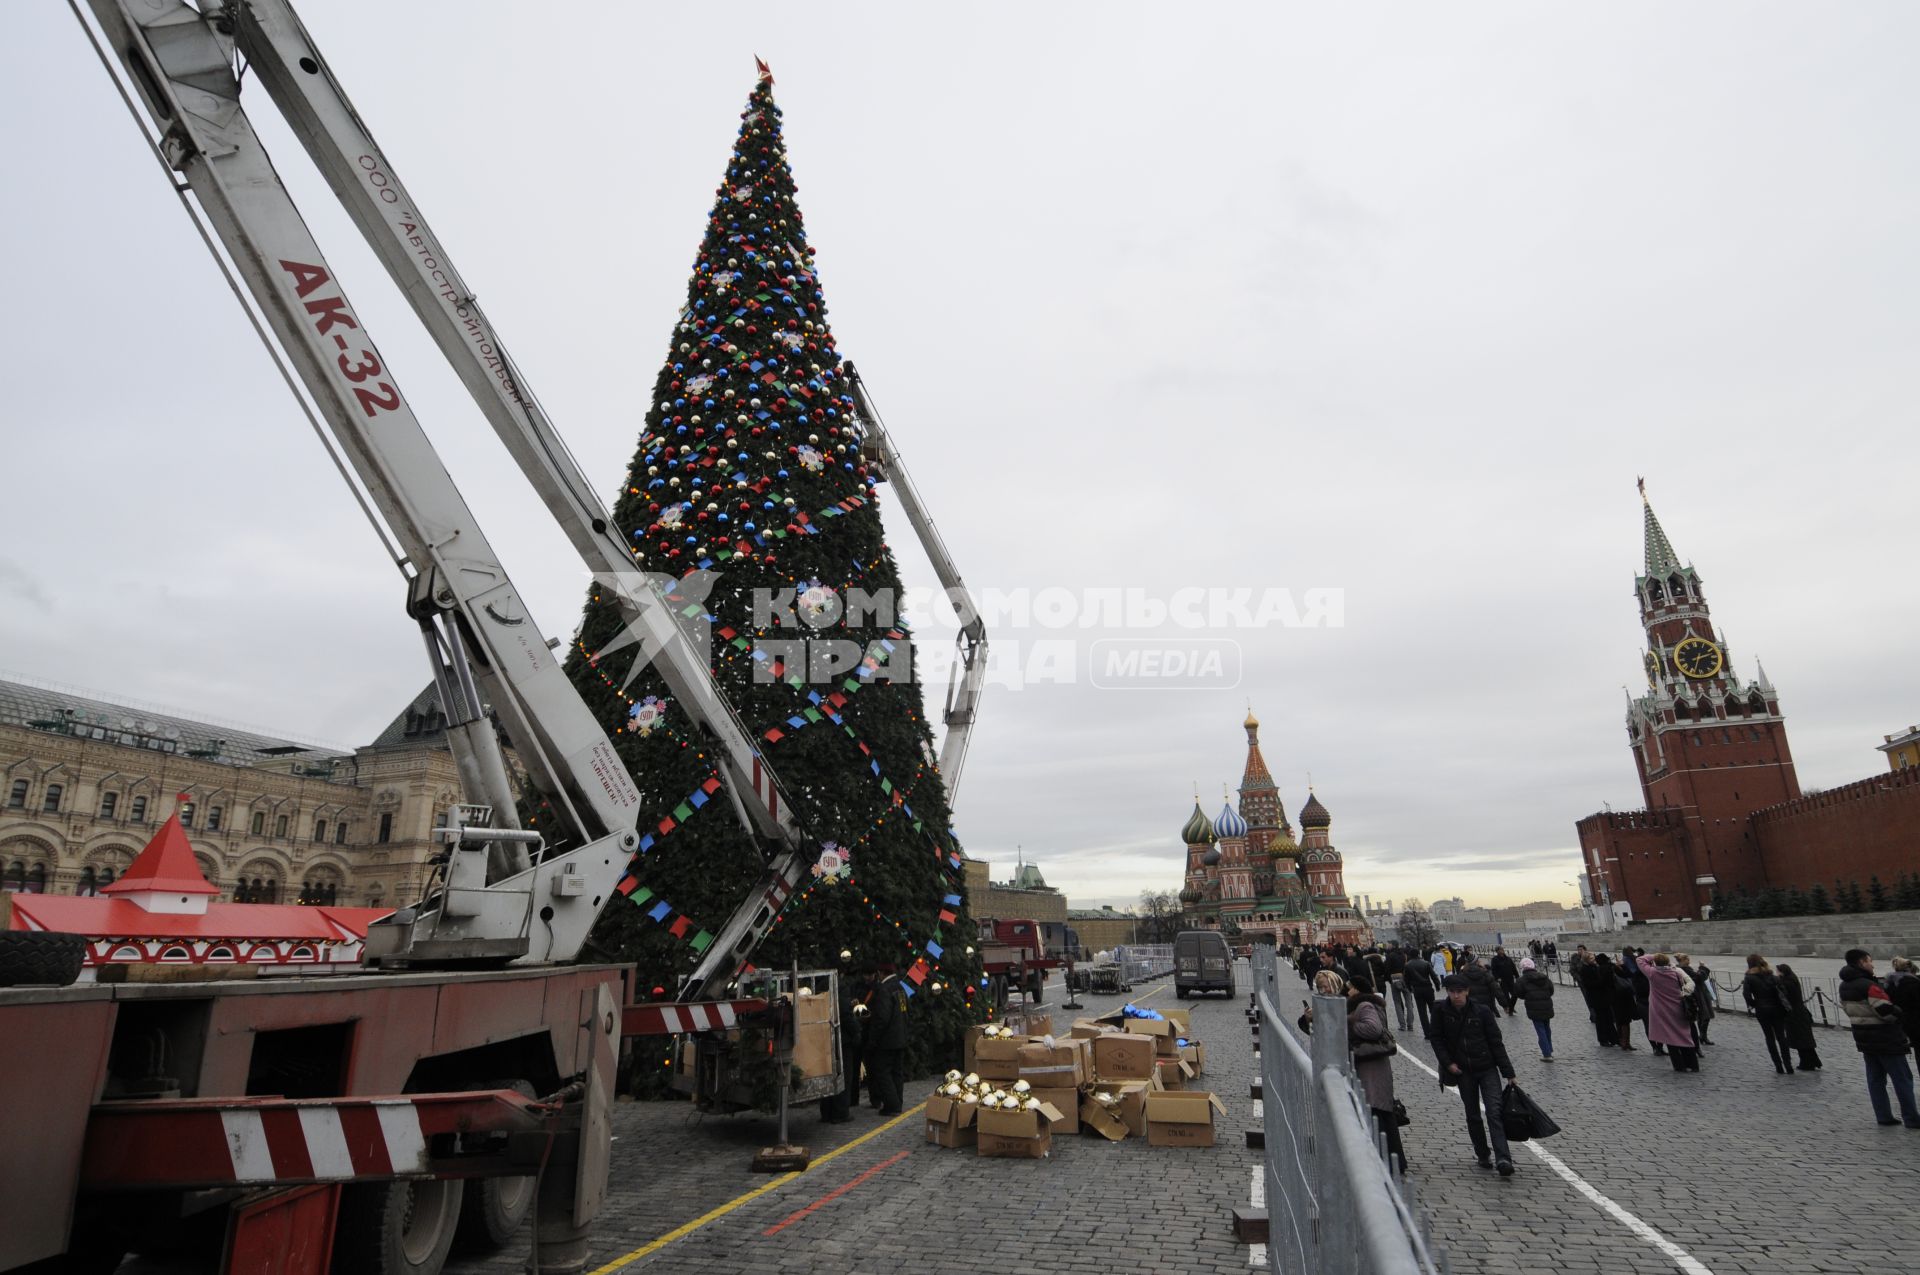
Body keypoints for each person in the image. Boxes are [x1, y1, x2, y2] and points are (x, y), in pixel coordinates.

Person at [1302, 969, 1407, 1175]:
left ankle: (1390, 1160)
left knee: (1378, 1111)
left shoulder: (1363, 1005)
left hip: (1370, 1065)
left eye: (1346, 988)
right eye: (1320, 986)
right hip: (1360, 1064)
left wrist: (1340, 1023)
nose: (1324, 990)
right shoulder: (1346, 1005)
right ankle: (1384, 1157)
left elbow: (1372, 1029)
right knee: (1372, 1110)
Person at [1430, 973, 1518, 1175]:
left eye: (1459, 992)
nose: (1455, 996)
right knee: (1473, 1115)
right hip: (1462, 1071)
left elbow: (1496, 1042)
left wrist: (1508, 1072)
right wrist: (1448, 1064)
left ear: (1467, 992)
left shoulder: (1482, 1011)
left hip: (1487, 1068)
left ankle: (1503, 1158)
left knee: (1495, 1112)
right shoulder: (1441, 1011)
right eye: (1452, 992)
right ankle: (1482, 1153)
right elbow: (1436, 1039)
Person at [1838, 949, 1920, 1128]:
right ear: (1861, 962)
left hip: (1863, 1038)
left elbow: (1847, 1009)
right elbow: (1885, 1011)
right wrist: (1899, 1014)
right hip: (1886, 1037)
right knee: (1902, 1078)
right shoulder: (1869, 985)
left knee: (1875, 1080)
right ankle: (1912, 1118)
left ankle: (1883, 1115)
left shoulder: (1844, 986)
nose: (1872, 964)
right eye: (1869, 961)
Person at [1638, 952, 1700, 1072]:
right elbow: (1689, 983)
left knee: (1670, 1038)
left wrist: (1654, 955)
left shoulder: (1652, 973)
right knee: (1685, 1036)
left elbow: (1640, 960)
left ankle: (1679, 1066)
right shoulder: (1676, 972)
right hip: (1678, 1008)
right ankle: (1693, 1064)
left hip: (1662, 1011)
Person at [863, 964, 909, 1115]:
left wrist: (873, 1039)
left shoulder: (884, 989)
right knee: (897, 1072)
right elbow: (905, 1012)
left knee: (883, 1072)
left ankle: (891, 1105)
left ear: (880, 972)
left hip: (887, 1039)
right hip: (900, 1036)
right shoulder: (900, 988)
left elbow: (882, 1017)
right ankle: (897, 1103)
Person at [821, 967, 864, 1122]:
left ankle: (826, 1112)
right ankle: (841, 1112)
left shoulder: (821, 984)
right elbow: (845, 1013)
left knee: (827, 1074)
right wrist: (856, 1030)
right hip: (842, 1039)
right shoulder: (840, 986)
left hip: (824, 1037)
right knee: (843, 1075)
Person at [1742, 954, 1794, 1074]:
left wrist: (1755, 1004)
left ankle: (1778, 1066)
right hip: (1777, 1008)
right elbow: (1784, 991)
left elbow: (1746, 995)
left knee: (1770, 1037)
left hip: (1762, 1010)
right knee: (1782, 1036)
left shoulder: (1749, 977)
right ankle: (1788, 1064)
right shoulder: (1772, 976)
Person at [1776, 963, 1822, 1072]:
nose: (1776, 973)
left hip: (1795, 1015)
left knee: (1801, 1040)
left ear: (1782, 972)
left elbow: (1785, 997)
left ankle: (1807, 1063)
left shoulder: (1787, 983)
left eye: (1778, 971)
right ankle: (1812, 1061)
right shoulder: (1792, 979)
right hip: (1800, 1012)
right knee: (1805, 1039)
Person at [1576, 951, 1617, 1047]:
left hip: (1603, 996)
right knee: (1601, 1020)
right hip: (1596, 998)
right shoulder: (1584, 970)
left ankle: (1613, 1038)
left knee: (1609, 1017)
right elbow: (1589, 984)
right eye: (1591, 958)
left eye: (1593, 958)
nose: (1594, 960)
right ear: (1586, 960)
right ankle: (1603, 1039)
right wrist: (1601, 981)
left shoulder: (1595, 967)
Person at [1518, 957, 1555, 1060]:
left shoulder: (1522, 980)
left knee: (1540, 1030)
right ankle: (1549, 1048)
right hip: (1546, 1006)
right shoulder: (1544, 977)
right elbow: (1551, 990)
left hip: (1533, 1007)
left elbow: (1519, 993)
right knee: (1547, 1028)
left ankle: (1547, 1054)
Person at [1676, 954, 1715, 1046]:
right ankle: (1702, 1036)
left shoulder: (1683, 969)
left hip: (1696, 993)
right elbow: (1699, 978)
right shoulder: (1685, 969)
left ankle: (1702, 1036)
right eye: (1687, 959)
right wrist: (1702, 967)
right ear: (1683, 960)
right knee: (1704, 1015)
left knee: (1702, 1015)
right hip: (1698, 994)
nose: (1689, 960)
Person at [1886, 957, 1920, 1058]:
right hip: (1915, 1024)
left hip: (1898, 1025)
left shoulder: (1889, 983)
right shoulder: (1913, 984)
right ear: (1911, 971)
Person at [1607, 953, 1639, 1050]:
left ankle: (1621, 1041)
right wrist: (1623, 966)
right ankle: (1626, 1043)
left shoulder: (1609, 971)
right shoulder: (1617, 971)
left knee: (1619, 1021)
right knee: (1625, 1022)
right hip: (1624, 999)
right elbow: (1629, 974)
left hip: (1615, 1000)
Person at [1403, 948, 1438, 1038]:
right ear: (1419, 954)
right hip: (1428, 988)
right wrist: (1437, 986)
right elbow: (1434, 976)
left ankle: (1427, 1033)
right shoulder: (1426, 963)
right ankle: (1436, 1030)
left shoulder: (1408, 965)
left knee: (1422, 1013)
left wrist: (1410, 989)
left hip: (1417, 990)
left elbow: (1406, 980)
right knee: (1433, 1010)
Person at [1385, 943, 1413, 1032]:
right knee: (1409, 1003)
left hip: (1394, 978)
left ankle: (1402, 1025)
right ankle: (1410, 1024)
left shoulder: (1390, 956)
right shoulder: (1405, 955)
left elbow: (1387, 969)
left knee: (1397, 1002)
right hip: (1405, 978)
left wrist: (1389, 979)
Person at [1490, 947, 1520, 1016]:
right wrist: (1497, 978)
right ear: (1497, 951)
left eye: (1502, 950)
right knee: (1506, 995)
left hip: (1510, 979)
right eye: (1500, 950)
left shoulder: (1508, 959)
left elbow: (1513, 967)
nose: (1502, 951)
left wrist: (1517, 976)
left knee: (1514, 994)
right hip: (1502, 980)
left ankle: (1511, 1007)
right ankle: (1510, 1009)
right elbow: (1493, 970)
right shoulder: (1495, 959)